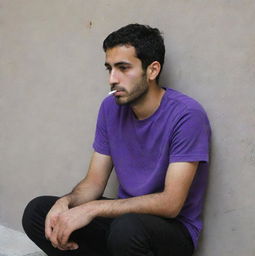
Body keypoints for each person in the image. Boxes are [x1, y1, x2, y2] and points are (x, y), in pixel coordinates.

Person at [22, 24, 211, 256]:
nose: (112, 78)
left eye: (123, 68)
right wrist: (67, 202)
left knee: (126, 229)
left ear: (152, 70)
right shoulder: (110, 108)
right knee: (39, 212)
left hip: (170, 231)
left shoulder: (187, 115)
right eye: (109, 68)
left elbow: (170, 204)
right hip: (123, 223)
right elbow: (93, 182)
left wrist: (93, 209)